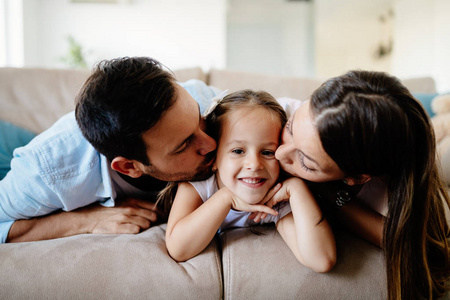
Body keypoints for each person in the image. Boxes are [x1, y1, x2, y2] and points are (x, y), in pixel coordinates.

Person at [0, 56, 221, 243]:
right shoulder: (46, 169)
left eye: (199, 117)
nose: (211, 143)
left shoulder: (208, 101)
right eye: (183, 145)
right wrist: (84, 220)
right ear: (128, 166)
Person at [273, 70, 450, 299]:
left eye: (306, 163)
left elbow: (425, 251)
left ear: (356, 177)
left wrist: (328, 194)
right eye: (289, 128)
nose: (278, 153)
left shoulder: (389, 190)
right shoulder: (282, 112)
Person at [164, 90, 336, 273]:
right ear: (213, 158)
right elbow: (178, 250)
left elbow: (321, 260)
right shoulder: (199, 186)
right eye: (238, 151)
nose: (254, 165)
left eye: (268, 152)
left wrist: (296, 188)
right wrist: (225, 198)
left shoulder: (275, 197)